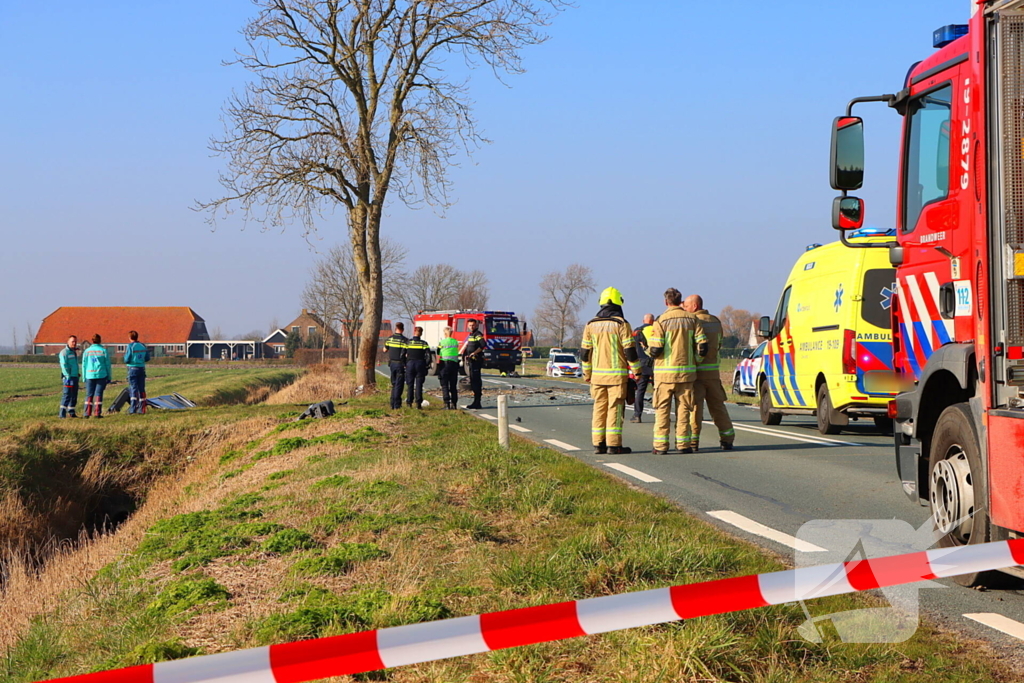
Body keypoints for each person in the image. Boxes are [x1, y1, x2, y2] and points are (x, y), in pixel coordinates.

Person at [580, 287, 641, 455]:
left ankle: (598, 444)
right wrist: (637, 371)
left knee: (599, 409)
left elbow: (585, 353)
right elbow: (629, 351)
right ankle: (614, 446)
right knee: (614, 409)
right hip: (616, 378)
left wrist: (587, 374)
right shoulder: (621, 324)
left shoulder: (590, 324)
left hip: (597, 377)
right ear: (618, 303)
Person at [647, 288, 708, 454]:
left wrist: (648, 352)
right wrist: (696, 361)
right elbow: (703, 347)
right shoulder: (692, 319)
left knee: (662, 412)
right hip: (686, 375)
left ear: (666, 302)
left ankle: (660, 447)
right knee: (684, 412)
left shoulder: (660, 321)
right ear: (680, 302)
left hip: (664, 376)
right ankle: (683, 445)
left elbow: (656, 349)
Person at [684, 294, 736, 451]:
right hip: (713, 373)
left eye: (686, 306)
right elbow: (719, 344)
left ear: (694, 306)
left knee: (695, 408)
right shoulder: (715, 321)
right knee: (718, 407)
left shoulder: (692, 322)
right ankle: (727, 439)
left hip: (697, 372)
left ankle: (694, 442)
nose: (684, 309)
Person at [630, 313, 655, 423]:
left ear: (643, 320)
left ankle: (637, 415)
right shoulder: (656, 330)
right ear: (653, 321)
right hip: (656, 364)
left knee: (640, 390)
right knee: (659, 390)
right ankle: (662, 415)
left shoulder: (637, 331)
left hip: (642, 364)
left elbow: (632, 348)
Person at [82, 334, 113, 418]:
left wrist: (84, 377)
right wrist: (109, 377)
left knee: (89, 394)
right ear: (100, 340)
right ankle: (97, 413)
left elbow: (84, 365)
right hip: (101, 375)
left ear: (92, 341)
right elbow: (107, 365)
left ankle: (87, 413)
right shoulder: (103, 351)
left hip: (89, 375)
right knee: (98, 394)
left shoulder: (87, 351)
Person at [460, 319, 485, 409]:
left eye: (473, 325)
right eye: (470, 325)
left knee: (476, 381)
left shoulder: (478, 334)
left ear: (476, 325)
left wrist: (474, 353)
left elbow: (483, 345)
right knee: (473, 380)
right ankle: (475, 401)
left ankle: (477, 402)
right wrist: (465, 356)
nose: (471, 327)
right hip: (471, 361)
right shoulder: (471, 335)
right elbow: (468, 347)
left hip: (476, 361)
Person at [124, 330, 149, 415]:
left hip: (132, 368)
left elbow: (127, 359)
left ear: (130, 337)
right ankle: (142, 409)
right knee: (142, 388)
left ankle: (133, 409)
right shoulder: (142, 345)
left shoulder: (130, 346)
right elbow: (147, 358)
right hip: (141, 368)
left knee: (133, 388)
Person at [405, 327, 431, 409]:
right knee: (419, 385)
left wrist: (405, 363)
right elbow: (429, 356)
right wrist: (426, 365)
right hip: (420, 364)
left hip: (410, 364)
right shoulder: (424, 343)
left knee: (410, 385)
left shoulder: (408, 342)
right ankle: (418, 403)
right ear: (421, 333)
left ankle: (409, 402)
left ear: (414, 332)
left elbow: (402, 354)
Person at [384, 322, 408, 410]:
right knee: (399, 384)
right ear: (403, 329)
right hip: (400, 364)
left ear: (395, 328)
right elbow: (406, 354)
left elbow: (384, 350)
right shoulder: (405, 340)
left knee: (394, 384)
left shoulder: (390, 339)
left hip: (392, 364)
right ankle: (397, 404)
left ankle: (391, 403)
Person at [437, 326, 461, 409]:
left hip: (444, 365)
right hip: (454, 365)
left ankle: (446, 403)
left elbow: (438, 352)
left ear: (445, 333)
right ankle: (454, 404)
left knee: (444, 385)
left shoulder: (442, 342)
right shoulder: (455, 342)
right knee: (453, 386)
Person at [58, 335, 80, 418]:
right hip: (68, 378)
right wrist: (67, 376)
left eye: (75, 342)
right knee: (67, 395)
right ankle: (62, 414)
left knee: (74, 395)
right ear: (68, 342)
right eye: (72, 341)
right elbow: (64, 365)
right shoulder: (64, 352)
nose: (74, 343)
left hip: (75, 377)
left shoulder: (73, 352)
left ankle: (72, 412)